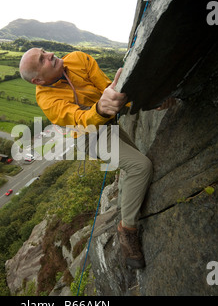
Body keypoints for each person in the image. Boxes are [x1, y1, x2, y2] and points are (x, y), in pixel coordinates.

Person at [19, 48, 171, 269]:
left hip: (108, 124)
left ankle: (127, 204)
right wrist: (101, 108)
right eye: (42, 59)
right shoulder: (47, 100)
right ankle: (127, 230)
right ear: (38, 80)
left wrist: (150, 103)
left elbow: (108, 88)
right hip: (89, 136)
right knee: (141, 166)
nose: (50, 55)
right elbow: (80, 119)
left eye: (45, 51)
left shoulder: (78, 59)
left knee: (135, 165)